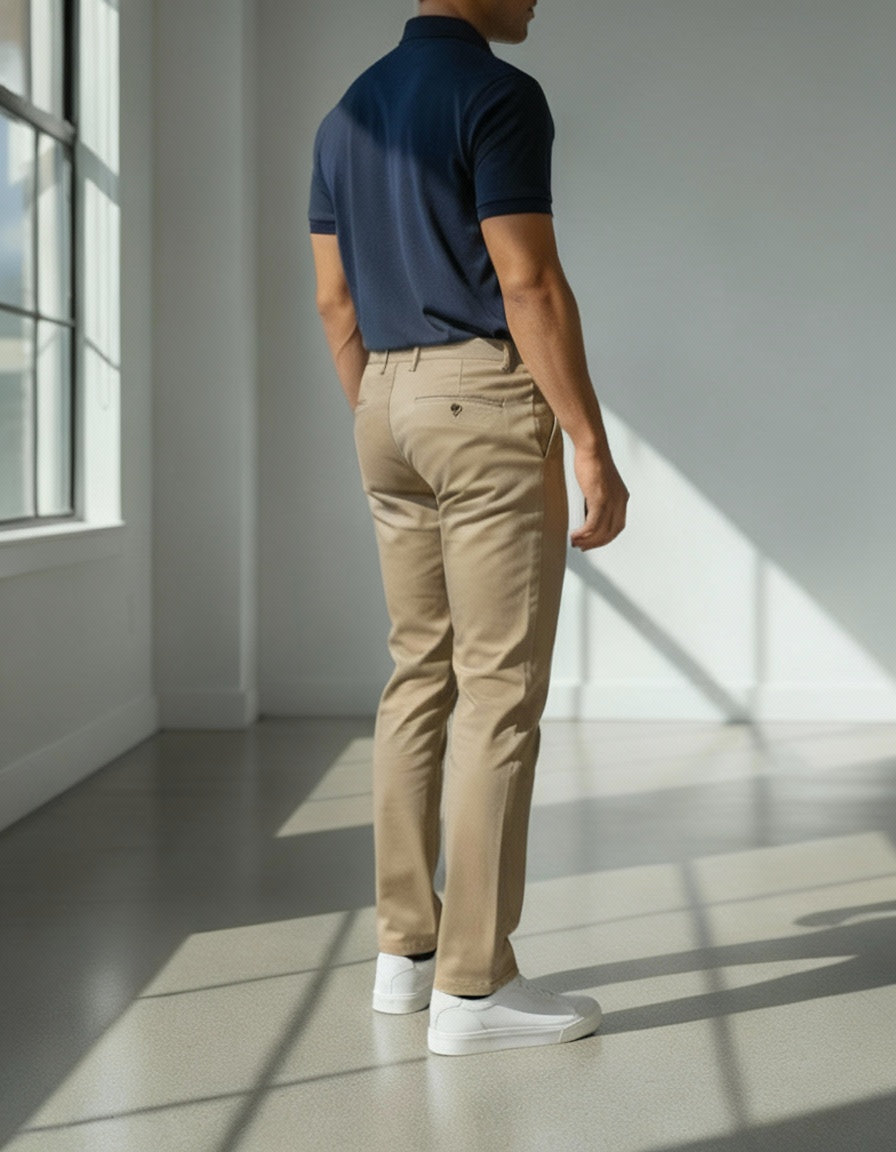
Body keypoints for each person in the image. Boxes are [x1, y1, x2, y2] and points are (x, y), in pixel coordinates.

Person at [309, 0, 628, 1056]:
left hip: (382, 401)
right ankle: (476, 986)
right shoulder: (496, 95)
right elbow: (525, 280)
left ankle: (403, 957)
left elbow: (333, 301)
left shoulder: (345, 112)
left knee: (417, 675)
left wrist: (383, 405)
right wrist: (586, 439)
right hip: (481, 400)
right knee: (498, 691)